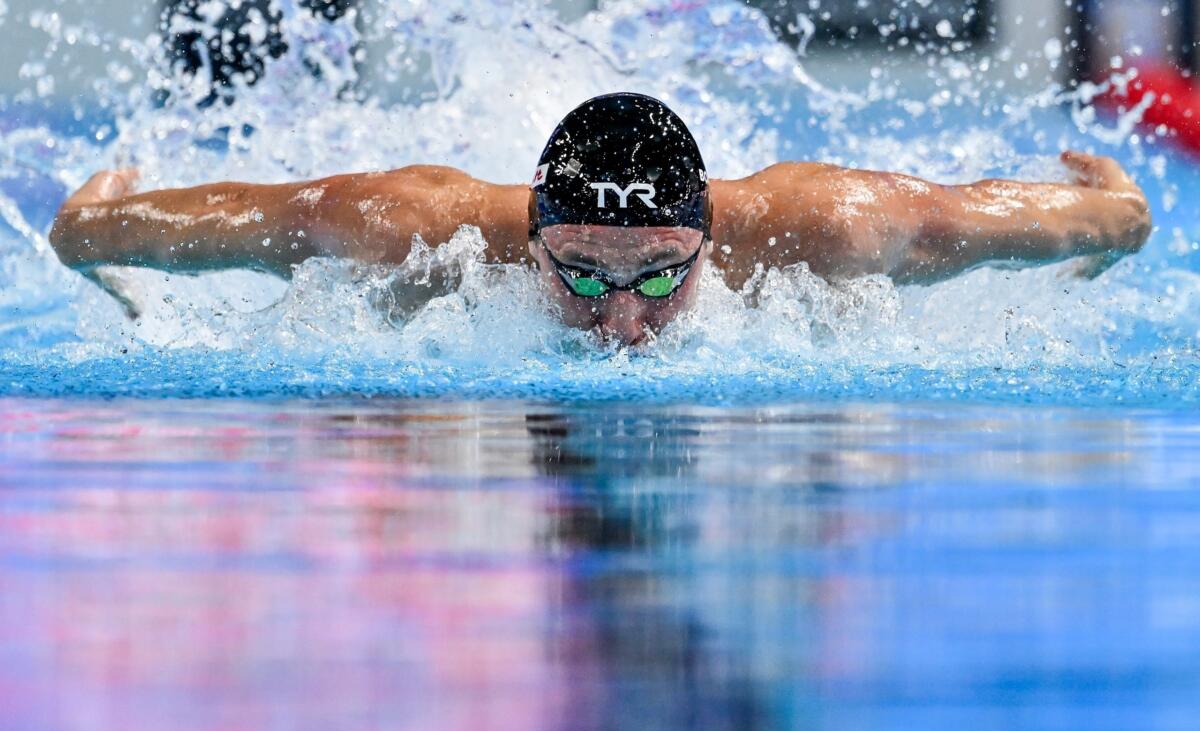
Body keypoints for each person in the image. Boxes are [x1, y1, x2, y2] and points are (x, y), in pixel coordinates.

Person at [49, 92, 1152, 346]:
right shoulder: (407, 227)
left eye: (663, 276)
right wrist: (92, 228)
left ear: (711, 235)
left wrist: (1111, 213)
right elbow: (222, 221)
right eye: (579, 274)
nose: (621, 322)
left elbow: (1098, 219)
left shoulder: (837, 227)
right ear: (528, 235)